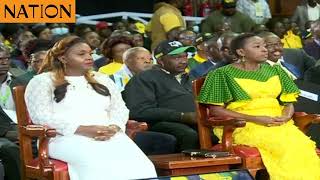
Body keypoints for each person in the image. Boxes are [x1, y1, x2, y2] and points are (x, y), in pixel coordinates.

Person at [24, 36, 157, 180]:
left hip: (109, 135)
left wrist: (114, 127)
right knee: (100, 164)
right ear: (63, 58)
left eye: (90, 53)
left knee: (142, 166)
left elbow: (120, 109)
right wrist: (84, 129)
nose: (89, 57)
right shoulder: (42, 81)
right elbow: (41, 117)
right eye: (81, 54)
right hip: (65, 138)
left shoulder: (102, 79)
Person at [198, 33, 320, 179]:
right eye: (257, 47)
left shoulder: (275, 70)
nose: (264, 50)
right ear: (241, 52)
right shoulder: (221, 74)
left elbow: (288, 101)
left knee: (303, 146)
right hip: (243, 124)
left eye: (264, 46)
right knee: (283, 148)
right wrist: (256, 119)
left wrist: (286, 116)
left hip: (278, 123)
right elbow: (216, 110)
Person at [122, 40, 200, 151]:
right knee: (189, 134)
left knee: (216, 133)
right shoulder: (145, 78)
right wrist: (182, 116)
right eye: (177, 57)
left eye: (185, 56)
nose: (183, 61)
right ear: (160, 60)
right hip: (160, 123)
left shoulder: (190, 78)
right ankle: (188, 168)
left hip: (196, 121)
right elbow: (139, 110)